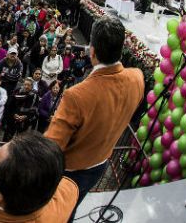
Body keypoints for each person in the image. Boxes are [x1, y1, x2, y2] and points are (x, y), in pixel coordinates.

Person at [45, 15, 145, 222]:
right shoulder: (137, 77)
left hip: (69, 173)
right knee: (71, 209)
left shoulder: (77, 95)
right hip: (100, 164)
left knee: (57, 214)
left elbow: (50, 147)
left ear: (92, 51)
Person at [2, 77, 38, 142]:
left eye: (29, 85)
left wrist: (25, 117)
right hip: (12, 120)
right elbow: (9, 106)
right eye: (25, 84)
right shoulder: (16, 92)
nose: (26, 87)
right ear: (23, 84)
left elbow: (34, 109)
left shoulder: (34, 96)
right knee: (7, 139)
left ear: (32, 86)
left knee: (20, 141)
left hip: (24, 122)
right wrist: (14, 114)